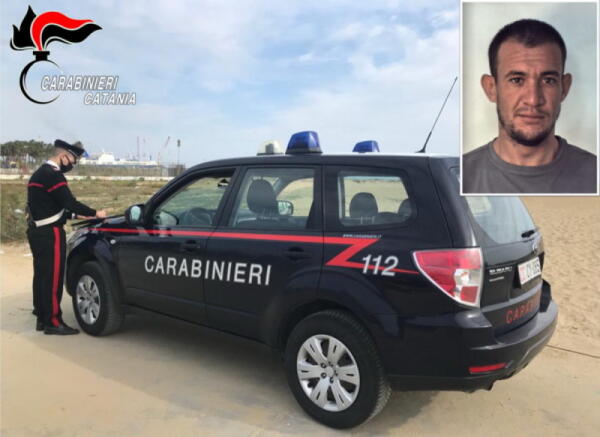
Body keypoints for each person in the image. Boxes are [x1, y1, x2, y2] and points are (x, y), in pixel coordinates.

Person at [463, 19, 597, 194]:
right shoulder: (459, 177)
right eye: (517, 80)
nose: (533, 99)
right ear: (491, 88)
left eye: (548, 80)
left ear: (564, 88)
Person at [27, 140, 107, 335]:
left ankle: (42, 316)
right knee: (53, 278)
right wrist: (95, 213)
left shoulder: (39, 173)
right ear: (64, 156)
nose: (72, 164)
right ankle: (53, 322)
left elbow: (50, 207)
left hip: (37, 231)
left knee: (42, 275)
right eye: (73, 160)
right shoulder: (54, 175)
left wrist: (79, 215)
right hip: (50, 233)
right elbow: (69, 203)